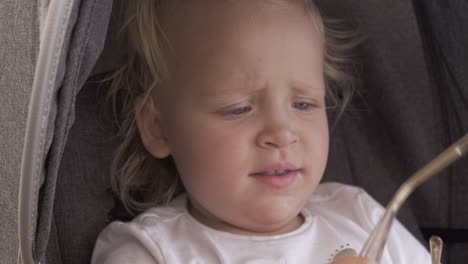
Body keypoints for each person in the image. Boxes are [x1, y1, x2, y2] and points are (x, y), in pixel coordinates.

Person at [92, 0, 431, 263]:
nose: (282, 133)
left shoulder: (359, 215)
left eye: (304, 104)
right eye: (238, 108)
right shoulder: (153, 252)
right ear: (158, 127)